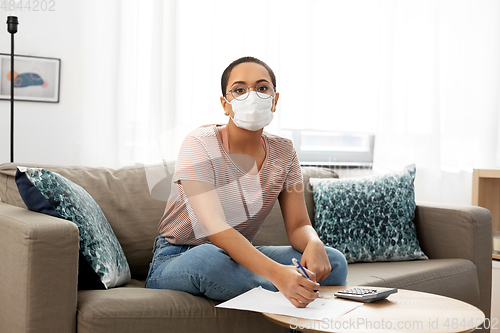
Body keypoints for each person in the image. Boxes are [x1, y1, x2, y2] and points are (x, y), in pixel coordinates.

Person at [145, 56, 347, 308]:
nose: (251, 96)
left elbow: (297, 226)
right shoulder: (199, 143)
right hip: (179, 257)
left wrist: (313, 242)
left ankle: (281, 290)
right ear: (225, 104)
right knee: (210, 260)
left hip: (239, 256)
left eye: (262, 88)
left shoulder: (284, 152)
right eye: (239, 90)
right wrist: (277, 273)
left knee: (333, 260)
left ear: (275, 100)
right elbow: (214, 226)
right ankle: (290, 290)